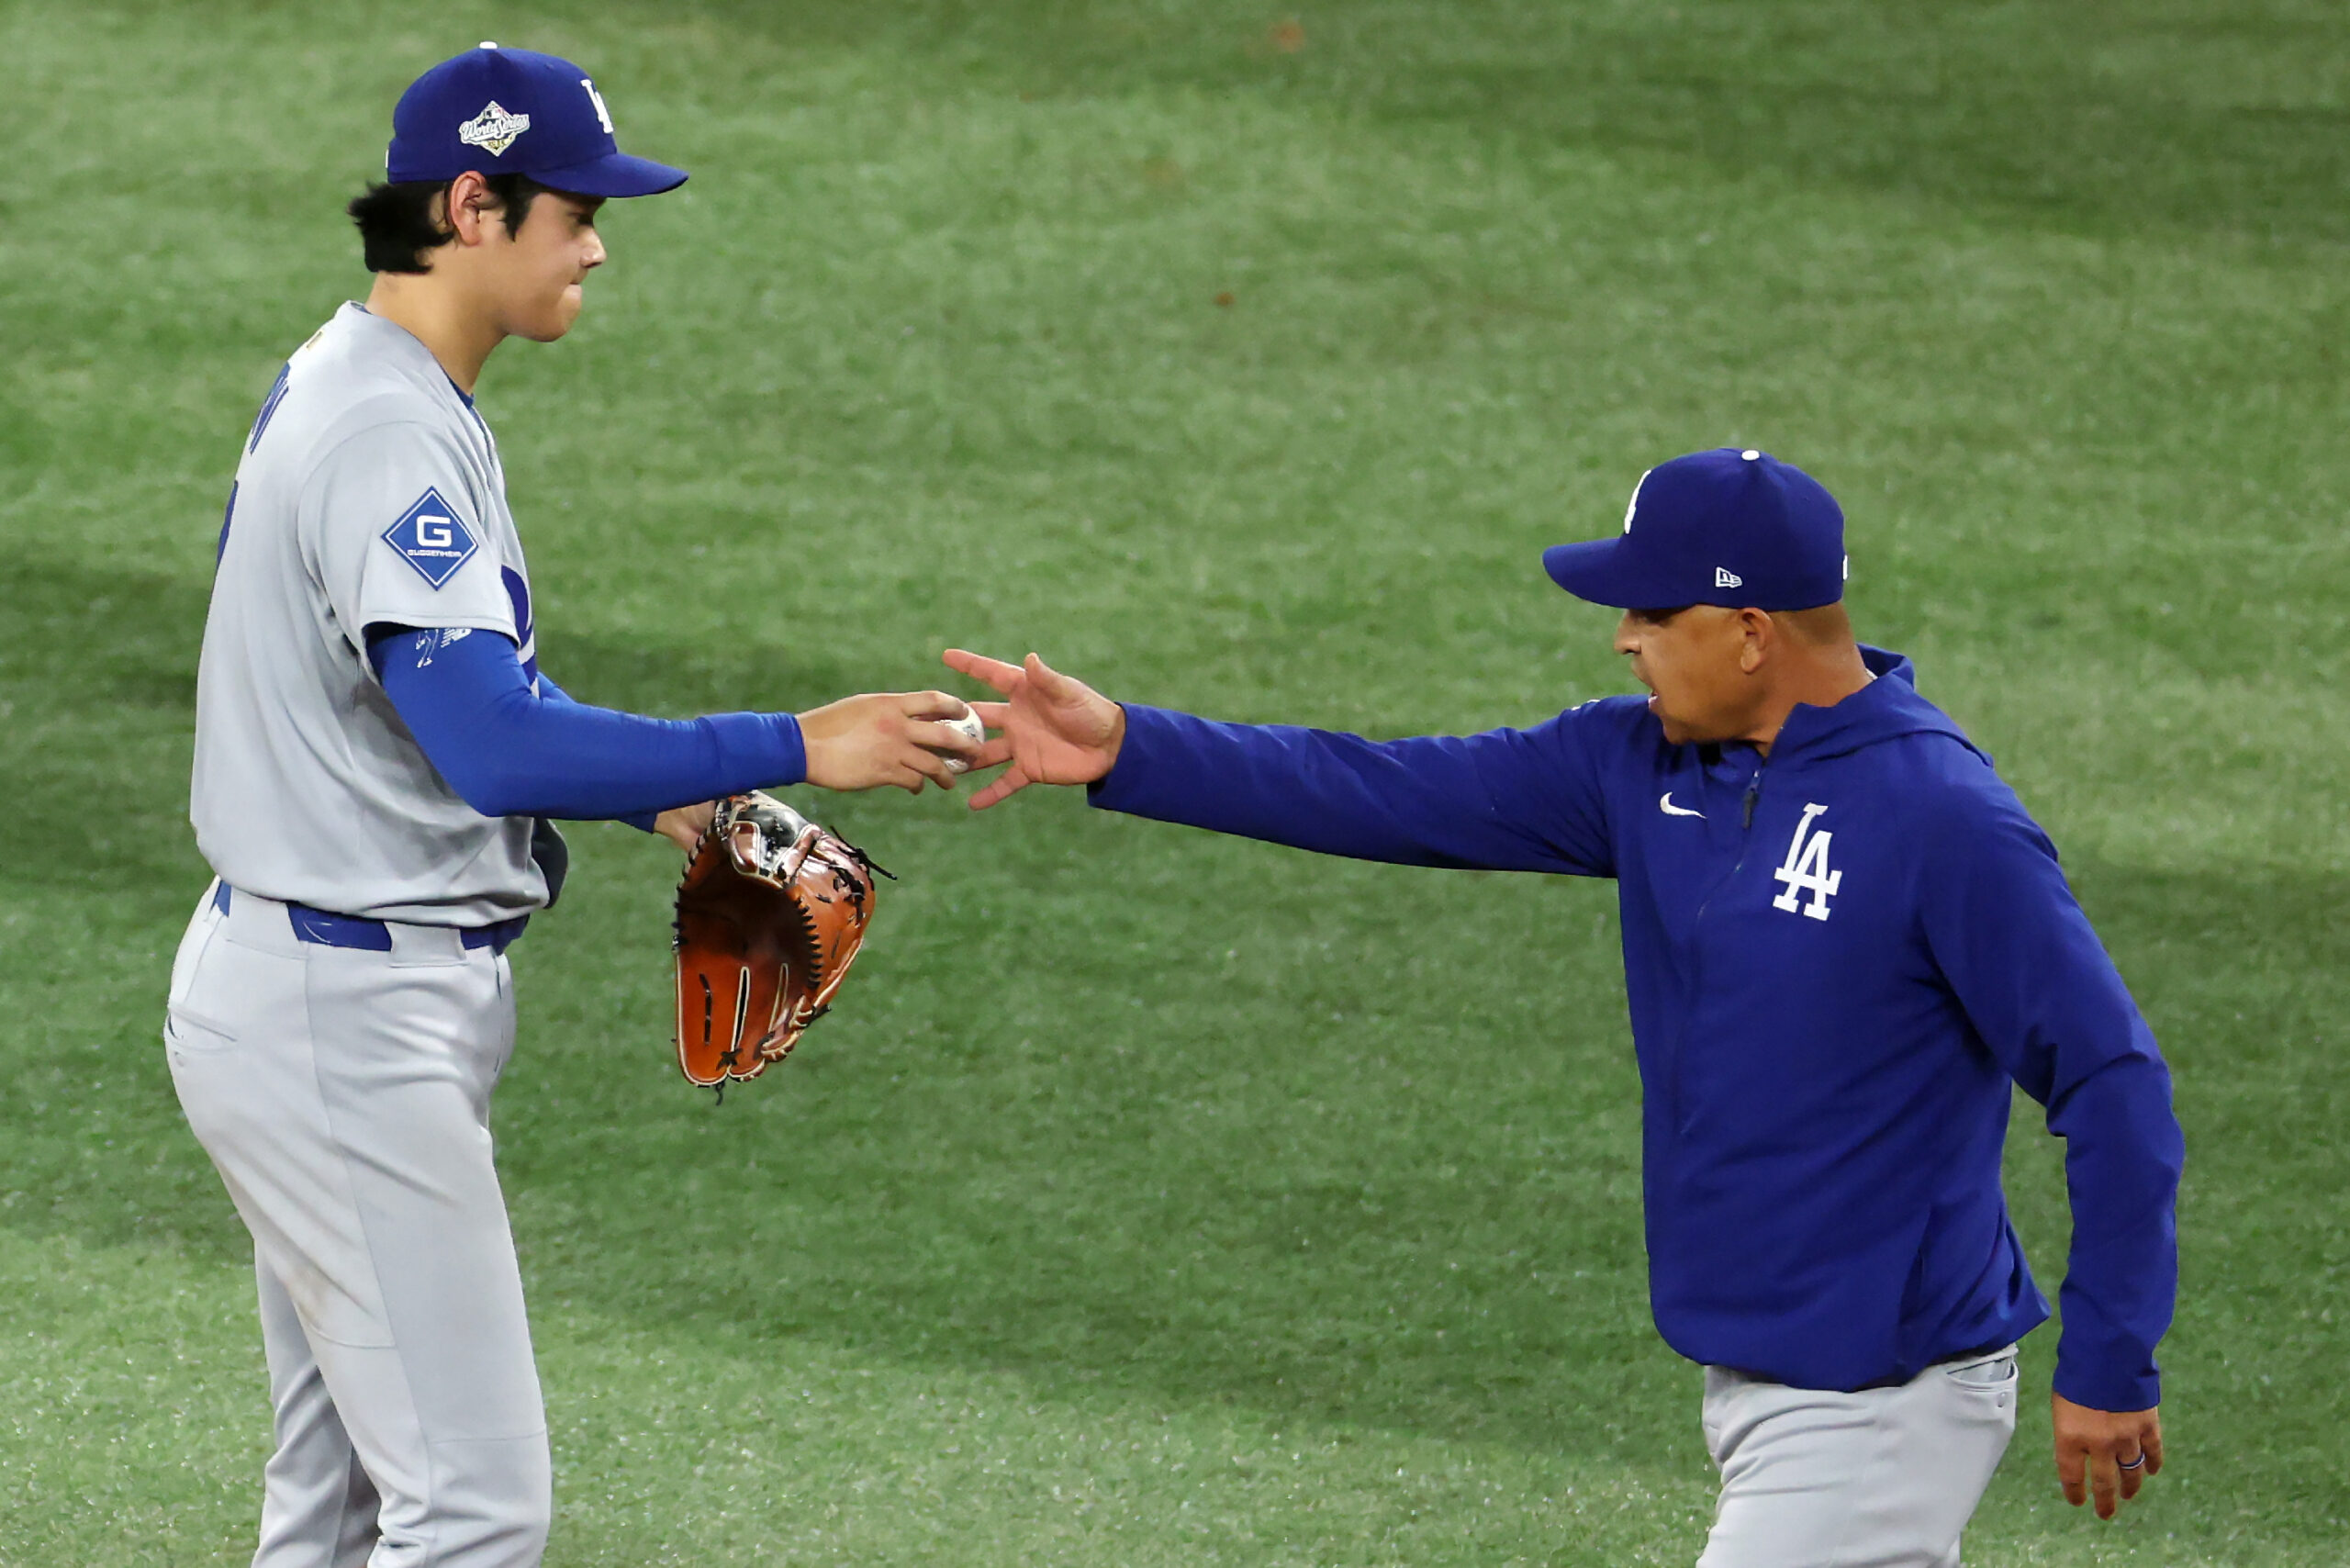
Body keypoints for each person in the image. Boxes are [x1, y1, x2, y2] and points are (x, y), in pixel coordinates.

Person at [944, 447, 2183, 1566]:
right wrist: (1131, 747)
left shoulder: (1942, 821)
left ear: (1751, 631)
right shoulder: (1637, 765)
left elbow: (2111, 1076)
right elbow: (1383, 788)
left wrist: (2111, 1356)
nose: (1622, 638)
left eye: (1651, 609)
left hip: (1884, 1394)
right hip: (1763, 1374)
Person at [168, 44, 979, 1568]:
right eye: (576, 209)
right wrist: (801, 736)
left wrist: (670, 800)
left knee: (341, 1508)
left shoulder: (368, 377)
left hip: (309, 985)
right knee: (471, 1513)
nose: (600, 242)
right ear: (474, 206)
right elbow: (487, 744)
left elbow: (423, 699)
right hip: (343, 1013)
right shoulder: (387, 430)